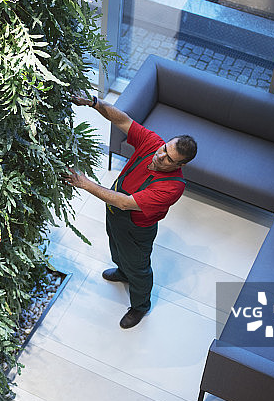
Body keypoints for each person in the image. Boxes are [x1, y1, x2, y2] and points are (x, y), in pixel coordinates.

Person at [65, 95, 197, 329]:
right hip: (115, 213)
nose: (160, 156)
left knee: (139, 267)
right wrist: (95, 103)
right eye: (164, 149)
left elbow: (126, 203)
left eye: (169, 159)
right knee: (115, 244)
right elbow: (123, 121)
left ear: (181, 165)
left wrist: (86, 183)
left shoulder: (173, 187)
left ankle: (140, 305)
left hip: (137, 227)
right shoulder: (153, 143)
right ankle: (122, 271)